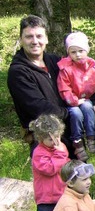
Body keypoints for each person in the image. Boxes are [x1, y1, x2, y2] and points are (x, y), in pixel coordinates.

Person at [7, 15, 71, 155]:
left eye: (39, 36)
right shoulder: (18, 72)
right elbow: (37, 107)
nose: (35, 41)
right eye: (29, 36)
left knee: (79, 176)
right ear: (21, 40)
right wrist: (70, 112)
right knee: (52, 176)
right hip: (45, 141)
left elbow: (78, 80)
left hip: (70, 136)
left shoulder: (56, 62)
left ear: (46, 39)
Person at [57, 31, 95, 161]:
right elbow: (64, 88)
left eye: (80, 51)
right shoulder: (65, 68)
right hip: (72, 101)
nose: (77, 55)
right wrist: (74, 101)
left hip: (87, 99)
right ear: (69, 53)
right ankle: (77, 141)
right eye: (73, 52)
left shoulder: (93, 68)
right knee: (76, 114)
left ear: (87, 50)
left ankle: (91, 136)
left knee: (88, 107)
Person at [30, 114, 70, 211]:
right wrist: (60, 155)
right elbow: (49, 169)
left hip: (61, 195)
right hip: (46, 198)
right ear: (41, 138)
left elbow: (66, 166)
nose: (55, 141)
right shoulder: (39, 153)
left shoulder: (61, 147)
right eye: (50, 139)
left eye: (57, 137)